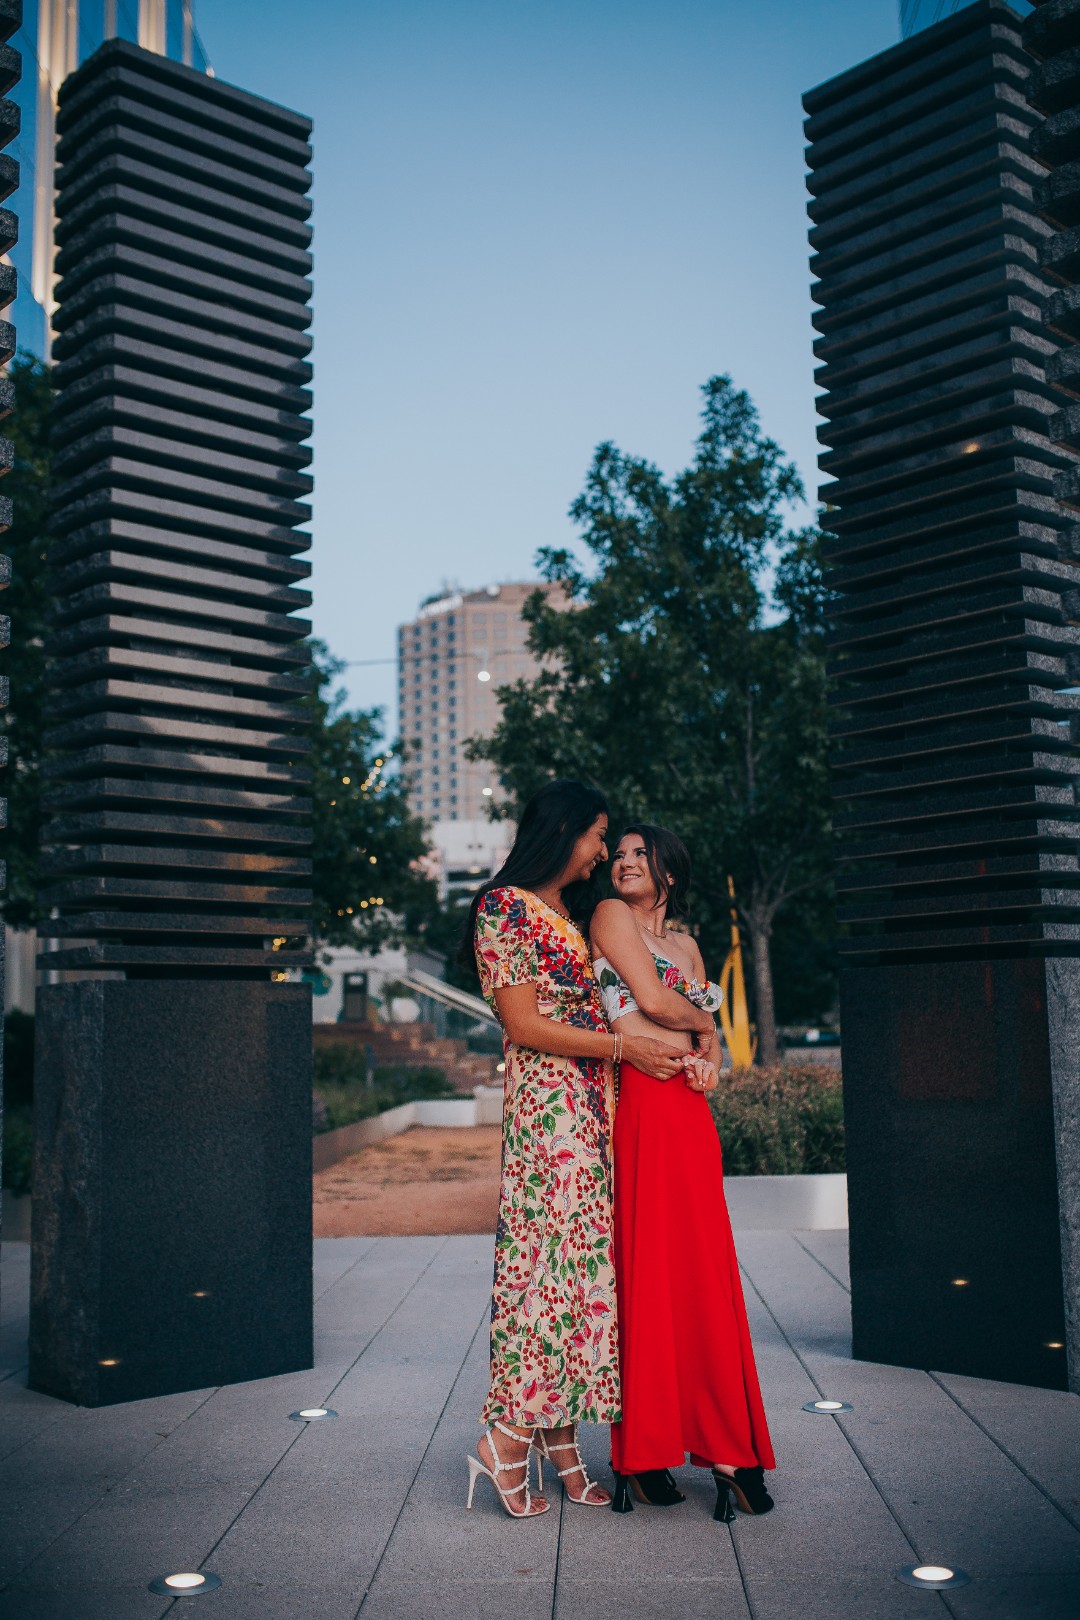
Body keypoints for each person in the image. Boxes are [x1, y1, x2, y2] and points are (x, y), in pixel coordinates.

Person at [464, 780, 689, 1519]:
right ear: (563, 834)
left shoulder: (565, 915)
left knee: (581, 1281)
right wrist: (620, 1048)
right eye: (597, 836)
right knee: (539, 1277)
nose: (601, 851)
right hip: (548, 1116)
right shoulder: (505, 910)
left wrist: (686, 1036)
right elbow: (525, 1025)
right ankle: (503, 1442)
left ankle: (562, 1443)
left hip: (595, 1114)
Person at [591, 823, 777, 1521]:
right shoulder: (611, 918)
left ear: (669, 868)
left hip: (690, 1113)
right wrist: (702, 1021)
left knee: (703, 1273)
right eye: (619, 855)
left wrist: (709, 1056)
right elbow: (656, 1001)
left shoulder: (690, 945)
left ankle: (721, 1443)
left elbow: (712, 1044)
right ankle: (644, 1448)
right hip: (640, 1104)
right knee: (651, 1273)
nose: (625, 863)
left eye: (641, 854)